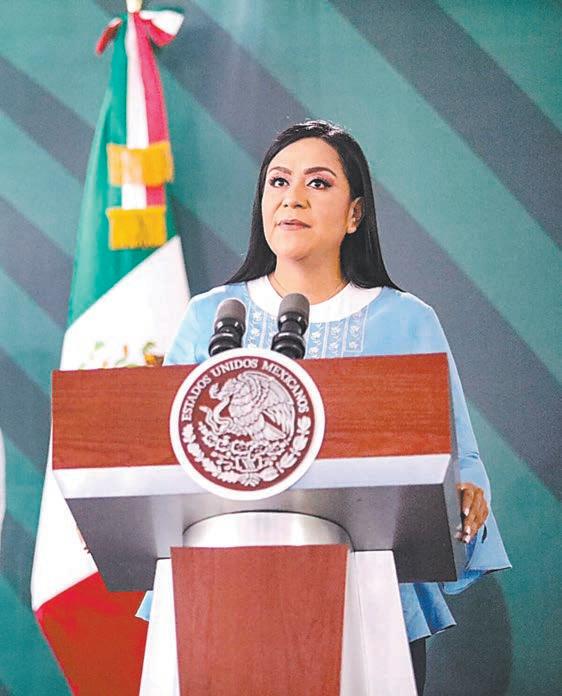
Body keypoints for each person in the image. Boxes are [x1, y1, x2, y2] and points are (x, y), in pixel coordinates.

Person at [143, 119, 510, 693]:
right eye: (278, 182)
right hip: (218, 588)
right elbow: (160, 455)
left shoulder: (406, 321)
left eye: (317, 183)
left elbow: (456, 457)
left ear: (355, 213)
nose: (292, 197)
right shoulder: (211, 316)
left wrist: (462, 493)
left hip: (370, 590)